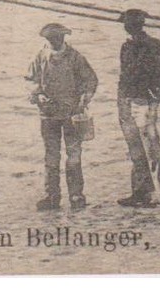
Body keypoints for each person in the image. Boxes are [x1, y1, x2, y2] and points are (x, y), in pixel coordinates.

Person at [26, 23, 98, 211]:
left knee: (73, 155)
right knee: (51, 156)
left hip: (71, 114)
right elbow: (30, 80)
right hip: (48, 114)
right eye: (50, 40)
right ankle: (52, 196)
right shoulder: (40, 56)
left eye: (57, 39)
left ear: (63, 38)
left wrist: (85, 98)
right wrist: (37, 94)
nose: (54, 42)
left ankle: (76, 195)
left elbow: (90, 80)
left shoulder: (75, 57)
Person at [116, 9, 160, 209]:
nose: (127, 27)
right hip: (126, 102)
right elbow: (124, 77)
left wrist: (154, 103)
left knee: (153, 149)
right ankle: (141, 193)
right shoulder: (126, 47)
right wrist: (123, 101)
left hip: (144, 102)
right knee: (135, 150)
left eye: (129, 24)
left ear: (137, 25)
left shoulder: (153, 46)